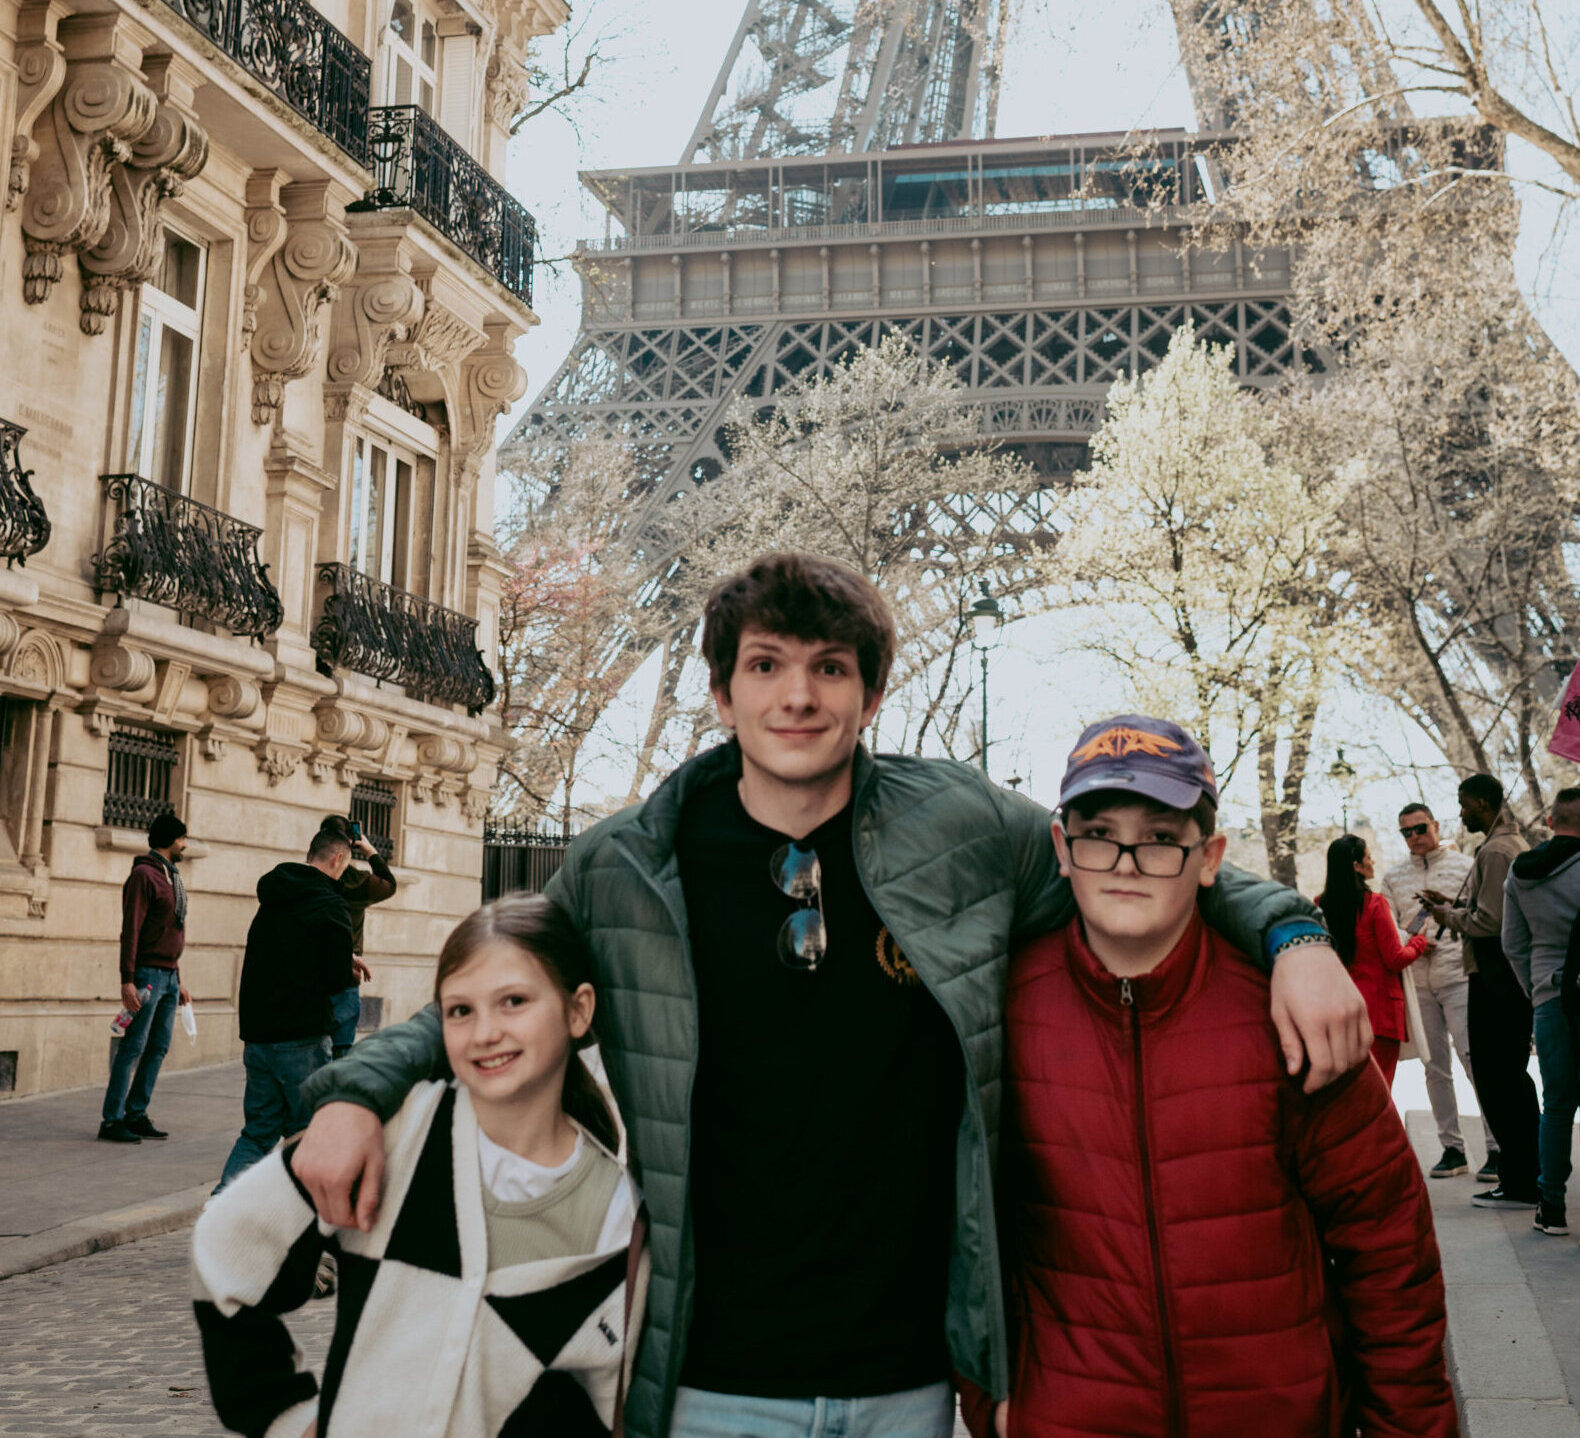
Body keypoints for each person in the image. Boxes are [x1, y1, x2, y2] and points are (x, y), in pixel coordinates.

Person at [290, 554, 1369, 1438]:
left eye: (827, 667)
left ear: (869, 694)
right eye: (763, 665)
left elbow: (1132, 869)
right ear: (722, 691)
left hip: (905, 1381)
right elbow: (488, 1003)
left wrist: (1292, 932)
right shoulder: (627, 864)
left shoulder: (962, 830)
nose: (795, 694)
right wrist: (351, 1091)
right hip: (705, 1379)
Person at [962, 717, 1454, 1438]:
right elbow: (955, 1230)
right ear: (1062, 850)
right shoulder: (998, 1013)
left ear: (1210, 855)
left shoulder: (1290, 1010)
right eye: (1100, 833)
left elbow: (1389, 1255)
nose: (1126, 862)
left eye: (1161, 838)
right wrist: (991, 1401)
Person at [193, 896, 648, 1438]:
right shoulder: (395, 1136)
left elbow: (609, 1403)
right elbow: (227, 1242)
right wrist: (286, 1418)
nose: (484, 1032)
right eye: (460, 1010)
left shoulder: (615, 1218)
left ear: (579, 1010)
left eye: (514, 1001)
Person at [214, 828, 356, 1191]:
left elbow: (280, 955)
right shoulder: (330, 904)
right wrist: (347, 962)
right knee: (309, 1132)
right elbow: (337, 979)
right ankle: (308, 1226)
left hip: (259, 1036)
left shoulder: (273, 896)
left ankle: (222, 1207)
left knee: (259, 1133)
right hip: (302, 1039)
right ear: (337, 859)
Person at [1423, 773, 1537, 1209]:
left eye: (1464, 803)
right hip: (1501, 975)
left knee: (1498, 1079)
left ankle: (1522, 1180)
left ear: (1485, 804)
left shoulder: (1495, 851)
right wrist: (1451, 908)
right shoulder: (1504, 847)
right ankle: (1525, 1175)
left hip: (1494, 976)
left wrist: (1447, 917)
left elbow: (1490, 922)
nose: (1460, 811)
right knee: (1508, 1077)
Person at [1379, 802, 1492, 1180]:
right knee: (1434, 1067)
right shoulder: (1394, 878)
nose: (1414, 837)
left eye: (1419, 829)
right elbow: (1387, 926)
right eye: (1406, 832)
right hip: (1417, 978)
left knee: (1474, 1058)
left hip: (1458, 972)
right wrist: (1408, 938)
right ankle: (1452, 1148)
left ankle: (1496, 1146)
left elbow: (1481, 915)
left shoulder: (1464, 867)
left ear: (1435, 826)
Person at [1502, 786, 1580, 1237]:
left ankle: (1551, 1205)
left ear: (1549, 822)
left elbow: (1513, 944)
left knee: (1556, 1105)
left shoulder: (1520, 872)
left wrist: (1537, 989)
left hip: (1549, 997)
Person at [99, 812, 192, 1143]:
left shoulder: (171, 876)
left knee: (159, 1046)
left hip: (168, 976)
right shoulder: (144, 875)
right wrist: (127, 979)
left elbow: (170, 929)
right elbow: (132, 929)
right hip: (147, 975)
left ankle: (136, 1112)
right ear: (170, 840)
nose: (185, 844)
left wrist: (178, 978)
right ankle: (112, 1120)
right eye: (182, 838)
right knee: (133, 1046)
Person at [1318, 834, 1431, 1087]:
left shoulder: (1320, 906)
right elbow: (1395, 959)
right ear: (1356, 866)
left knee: (1350, 1092)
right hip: (1380, 1013)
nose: (1373, 862)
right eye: (1368, 857)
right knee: (1379, 1091)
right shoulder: (1375, 904)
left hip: (1341, 1012)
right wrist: (1418, 941)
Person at [318, 814, 396, 1059]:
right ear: (349, 843)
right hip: (345, 975)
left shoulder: (307, 877)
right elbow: (389, 883)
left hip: (311, 975)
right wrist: (370, 850)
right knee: (341, 1051)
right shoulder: (357, 882)